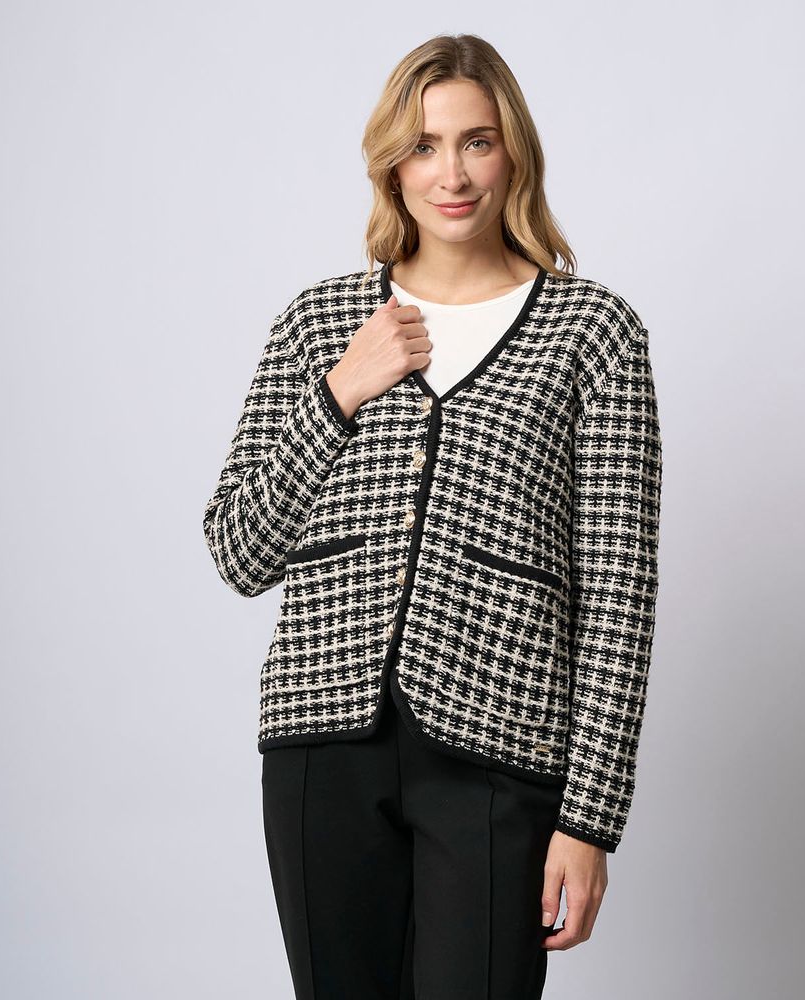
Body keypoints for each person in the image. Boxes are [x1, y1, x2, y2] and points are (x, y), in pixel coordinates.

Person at [202, 32, 663, 1000]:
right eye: (423, 146)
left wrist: (589, 821)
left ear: (513, 154)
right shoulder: (319, 324)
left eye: (476, 142)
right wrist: (342, 390)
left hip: (500, 752)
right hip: (321, 743)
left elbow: (619, 594)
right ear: (391, 164)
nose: (451, 174)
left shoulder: (593, 333)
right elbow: (240, 551)